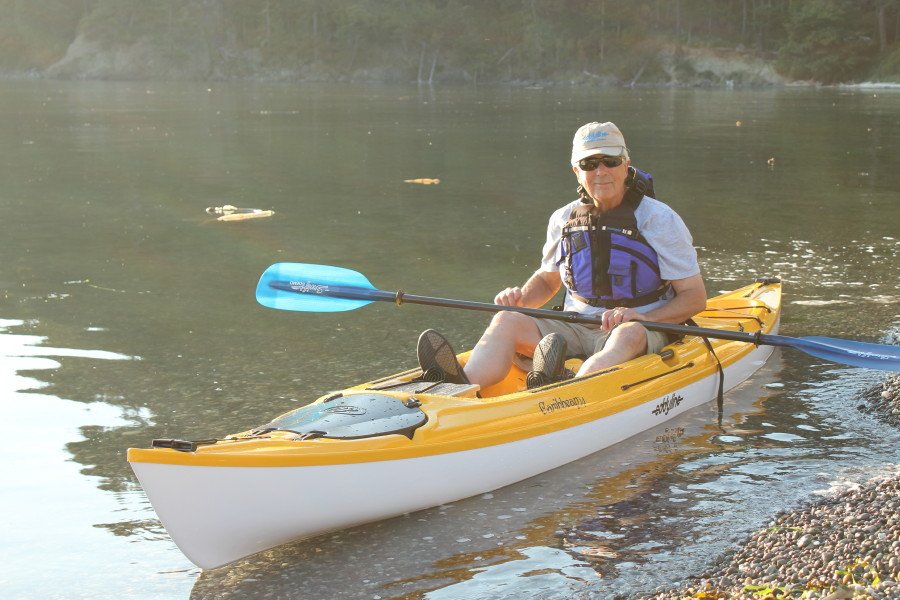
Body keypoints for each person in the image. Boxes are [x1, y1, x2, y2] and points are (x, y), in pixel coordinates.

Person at [417, 121, 707, 390]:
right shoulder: (563, 218)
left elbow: (694, 298)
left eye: (611, 161)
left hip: (638, 329)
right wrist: (519, 301)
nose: (601, 171)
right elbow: (547, 281)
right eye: (589, 164)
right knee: (506, 319)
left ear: (626, 165)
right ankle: (459, 388)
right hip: (573, 325)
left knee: (627, 334)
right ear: (576, 170)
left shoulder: (659, 219)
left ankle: (570, 390)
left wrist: (642, 317)